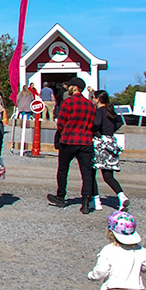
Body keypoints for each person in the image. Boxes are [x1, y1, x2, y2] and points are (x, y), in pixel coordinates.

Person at [47, 76, 97, 213]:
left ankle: (61, 197)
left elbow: (61, 123)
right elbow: (92, 124)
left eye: (70, 86)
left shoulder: (68, 103)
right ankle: (86, 201)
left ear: (75, 88)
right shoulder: (90, 105)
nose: (67, 88)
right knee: (86, 173)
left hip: (69, 140)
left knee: (63, 170)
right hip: (85, 141)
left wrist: (65, 131)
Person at [91, 90, 128, 211]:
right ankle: (121, 196)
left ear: (98, 99)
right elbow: (119, 123)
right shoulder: (111, 111)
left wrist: (95, 131)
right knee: (108, 175)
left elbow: (96, 123)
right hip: (111, 142)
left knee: (92, 172)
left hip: (100, 143)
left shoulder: (100, 111)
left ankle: (96, 201)